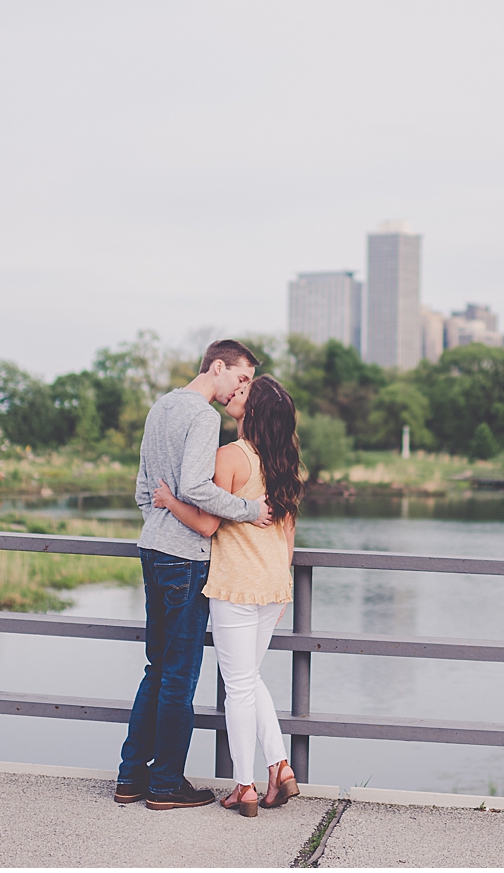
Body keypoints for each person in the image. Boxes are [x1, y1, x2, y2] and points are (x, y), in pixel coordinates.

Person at [116, 340, 273, 812]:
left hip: (152, 549)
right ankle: (165, 784)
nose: (242, 390)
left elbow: (145, 489)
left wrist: (159, 521)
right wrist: (250, 509)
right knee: (180, 677)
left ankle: (130, 778)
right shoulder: (203, 417)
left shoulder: (160, 407)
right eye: (241, 378)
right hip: (185, 558)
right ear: (218, 367)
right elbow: (198, 488)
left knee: (157, 668)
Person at [152, 374, 303, 817]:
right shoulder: (285, 461)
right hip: (271, 587)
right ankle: (280, 766)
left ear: (253, 411)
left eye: (244, 394)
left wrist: (168, 500)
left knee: (236, 688)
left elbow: (206, 524)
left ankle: (244, 787)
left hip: (236, 584)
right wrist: (284, 589)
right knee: (250, 679)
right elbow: (289, 537)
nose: (236, 394)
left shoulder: (230, 457)